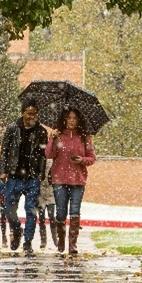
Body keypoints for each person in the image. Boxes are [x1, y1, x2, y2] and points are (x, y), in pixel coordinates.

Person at [0, 98, 48, 256]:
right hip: (14, 175)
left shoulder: (41, 132)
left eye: (35, 114)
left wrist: (41, 173)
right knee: (9, 208)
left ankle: (27, 241)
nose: (31, 117)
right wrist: (3, 170)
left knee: (31, 210)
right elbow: (4, 151)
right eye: (29, 113)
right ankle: (16, 229)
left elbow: (43, 155)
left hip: (32, 176)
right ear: (22, 113)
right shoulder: (13, 129)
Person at [46, 107, 96, 255]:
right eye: (69, 117)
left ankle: (72, 245)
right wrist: (52, 138)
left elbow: (92, 158)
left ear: (78, 120)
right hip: (59, 180)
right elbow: (49, 154)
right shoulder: (58, 135)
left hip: (78, 180)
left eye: (74, 118)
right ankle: (61, 240)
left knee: (75, 212)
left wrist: (82, 160)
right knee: (61, 213)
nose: (72, 121)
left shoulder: (84, 137)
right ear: (64, 119)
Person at [36, 158, 56, 249]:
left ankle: (55, 239)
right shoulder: (38, 162)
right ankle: (43, 240)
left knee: (52, 216)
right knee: (41, 218)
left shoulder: (53, 162)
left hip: (50, 193)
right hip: (40, 194)